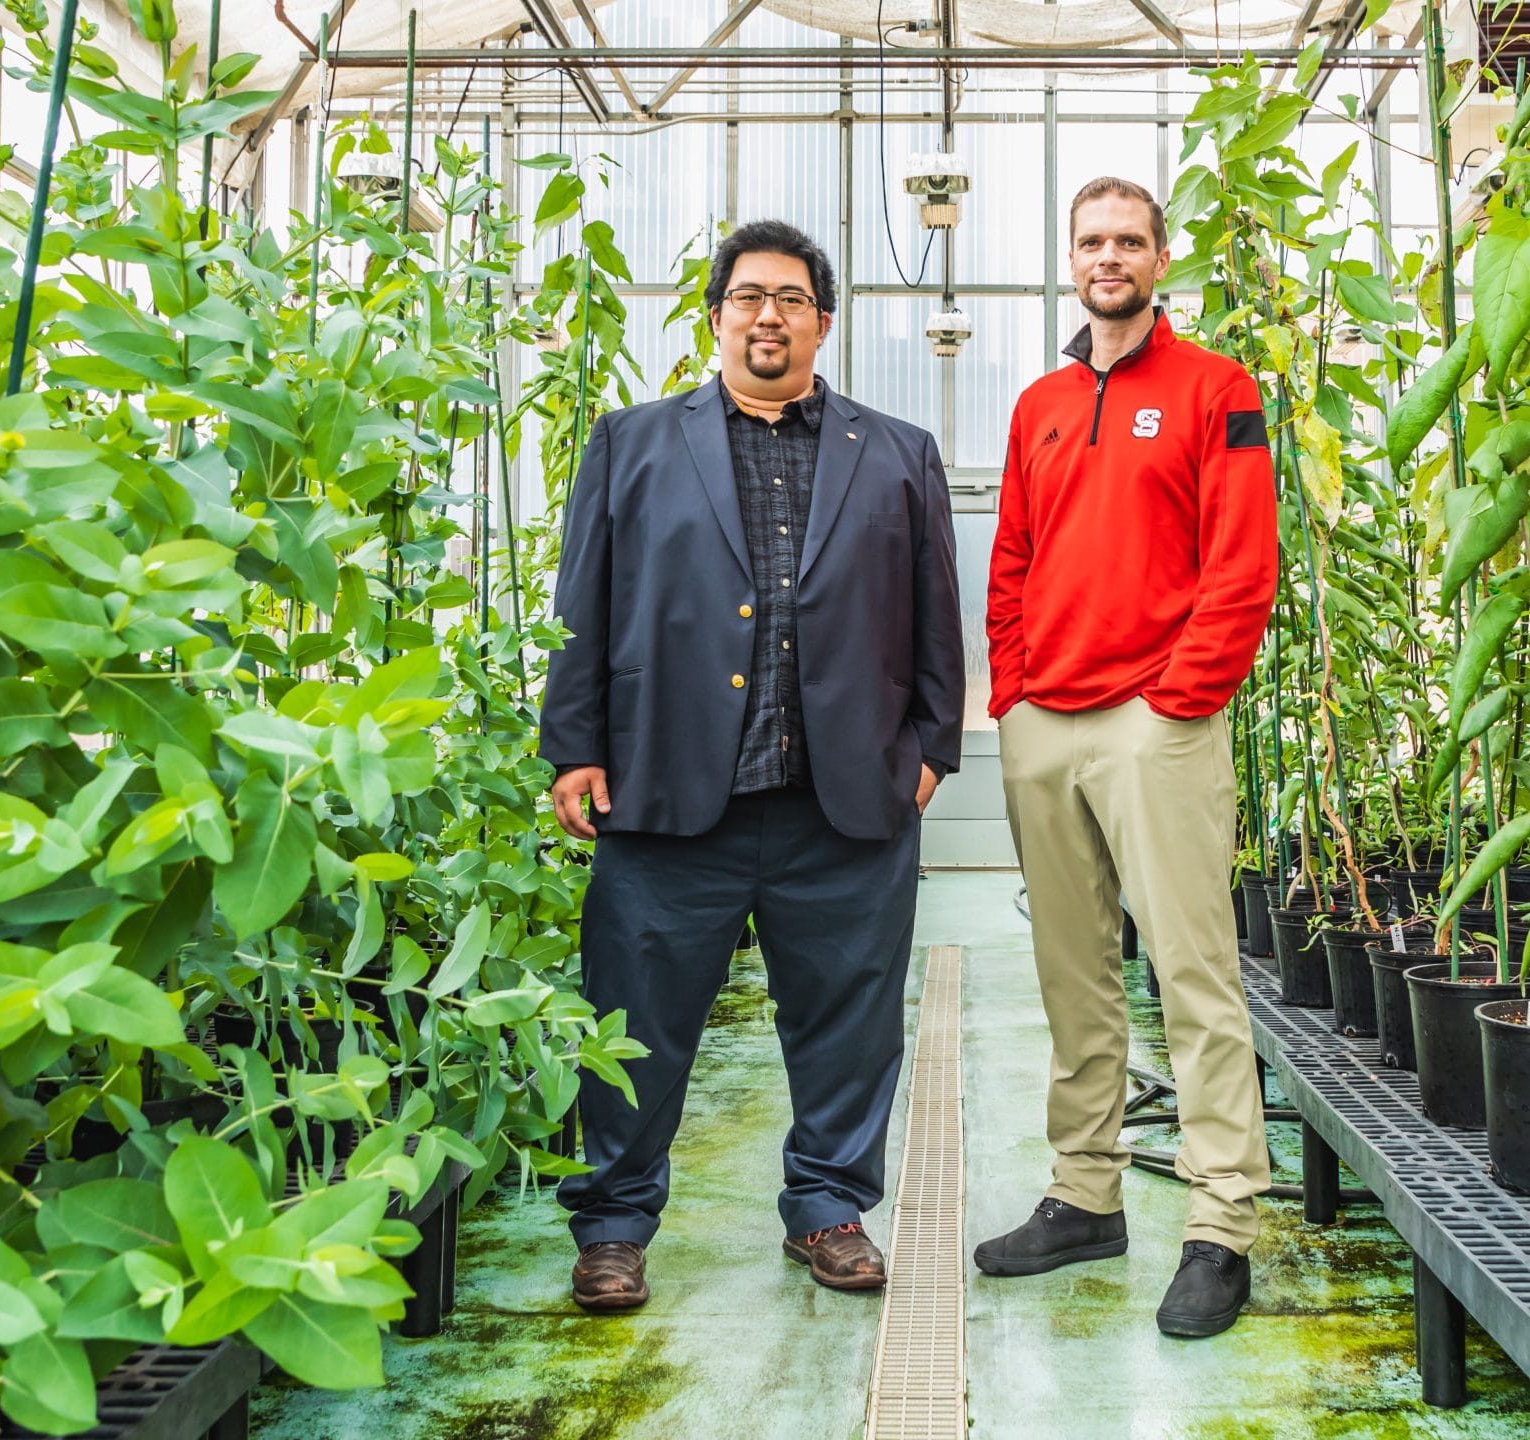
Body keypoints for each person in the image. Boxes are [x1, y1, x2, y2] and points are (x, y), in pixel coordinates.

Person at [540, 219, 965, 1313]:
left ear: (823, 321)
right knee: (634, 1021)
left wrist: (931, 748)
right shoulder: (631, 442)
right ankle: (615, 1226)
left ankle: (828, 1208)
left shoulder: (898, 452)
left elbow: (933, 617)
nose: (766, 314)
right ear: (716, 315)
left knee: (846, 1019)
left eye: (789, 297)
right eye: (746, 296)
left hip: (844, 798)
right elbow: (578, 608)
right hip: (670, 790)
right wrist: (573, 747)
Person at [974, 177, 1279, 1338]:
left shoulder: (1215, 389)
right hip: (1044, 720)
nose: (1110, 257)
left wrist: (1177, 696)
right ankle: (1084, 1193)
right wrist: (1012, 692)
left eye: (1129, 241)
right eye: (1091, 240)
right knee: (1073, 977)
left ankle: (1220, 1227)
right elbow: (1011, 558)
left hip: (1157, 723)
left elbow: (1242, 563)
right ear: (1072, 257)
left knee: (1193, 977)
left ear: (1160, 258)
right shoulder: (1040, 402)